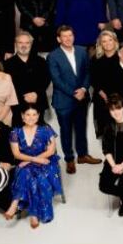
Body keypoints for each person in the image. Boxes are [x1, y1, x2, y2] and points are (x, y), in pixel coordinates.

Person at [49, 27, 96, 173]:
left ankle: (82, 155)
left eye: (70, 35)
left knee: (81, 127)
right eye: (64, 36)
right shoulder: (53, 56)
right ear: (59, 39)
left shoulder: (82, 51)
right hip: (63, 100)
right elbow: (56, 80)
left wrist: (83, 89)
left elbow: (88, 72)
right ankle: (69, 159)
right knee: (66, 130)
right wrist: (73, 93)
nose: (68, 38)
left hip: (82, 97)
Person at [5, 107, 63, 229]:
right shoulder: (15, 132)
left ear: (38, 116)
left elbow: (51, 151)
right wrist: (34, 160)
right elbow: (16, 154)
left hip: (46, 162)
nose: (31, 117)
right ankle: (33, 214)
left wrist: (29, 161)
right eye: (28, 114)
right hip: (27, 163)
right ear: (22, 116)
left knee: (37, 177)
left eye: (34, 114)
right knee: (27, 174)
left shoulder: (46, 129)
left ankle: (16, 204)